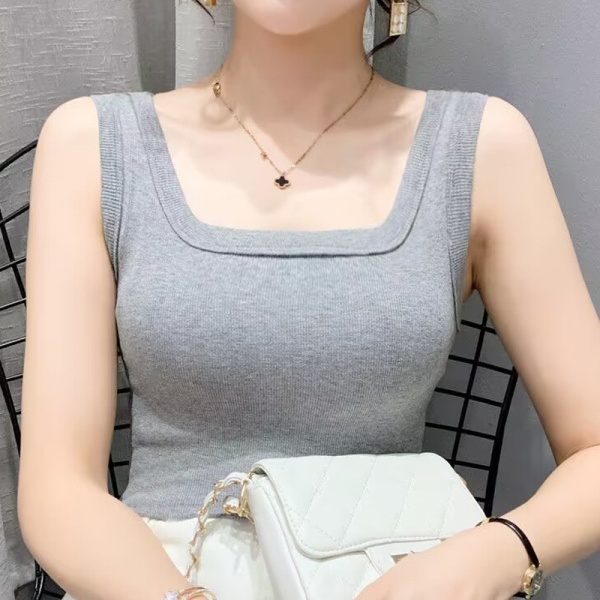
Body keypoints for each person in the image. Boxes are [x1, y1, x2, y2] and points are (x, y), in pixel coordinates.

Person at [15, 1, 600, 599]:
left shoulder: (480, 149)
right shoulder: (94, 146)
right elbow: (58, 487)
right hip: (154, 580)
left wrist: (491, 556)